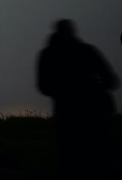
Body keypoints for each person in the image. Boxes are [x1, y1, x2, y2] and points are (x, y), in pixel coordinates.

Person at [37, 19, 120, 174]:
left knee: (71, 160)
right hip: (95, 112)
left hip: (66, 114)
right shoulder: (88, 51)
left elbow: (43, 86)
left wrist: (62, 92)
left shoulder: (47, 54)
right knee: (100, 158)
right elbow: (111, 80)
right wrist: (94, 88)